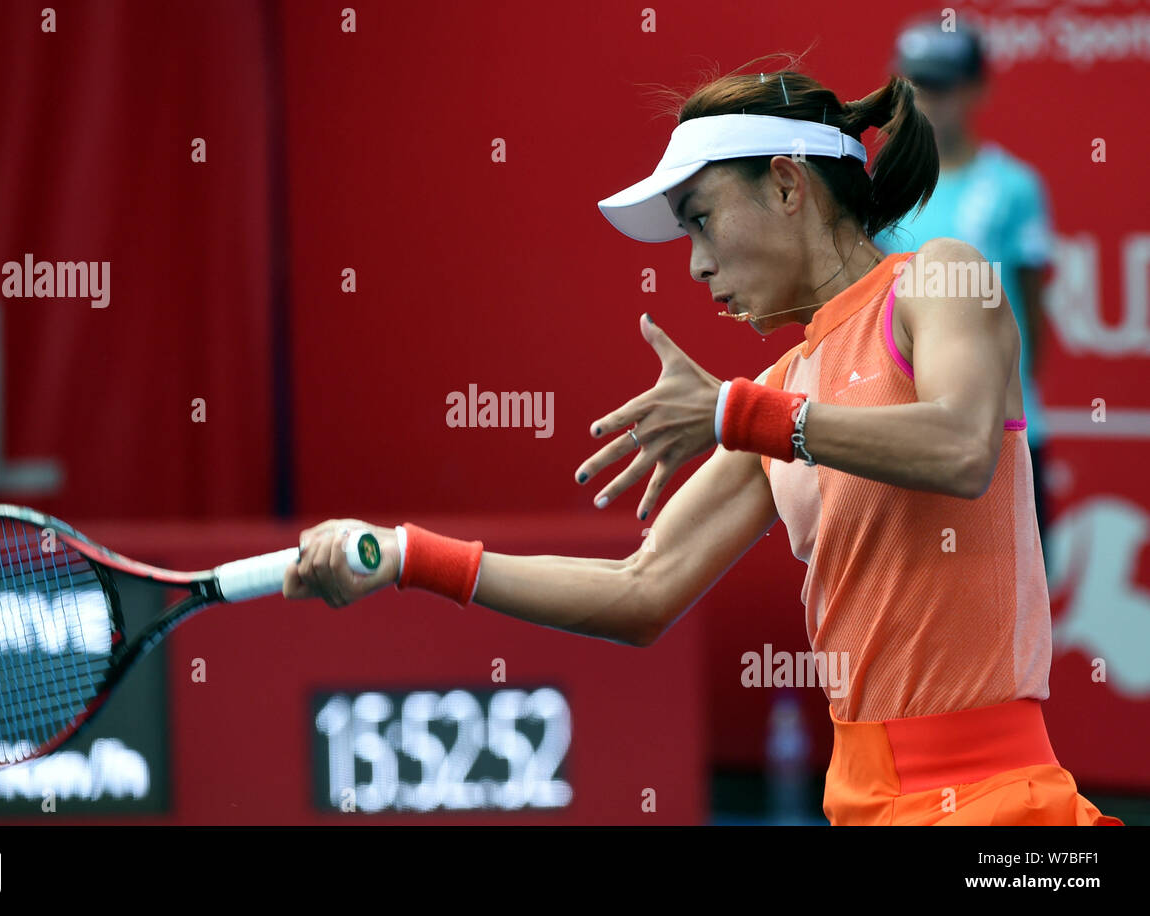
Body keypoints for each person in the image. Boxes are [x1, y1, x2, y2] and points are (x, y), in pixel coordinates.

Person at [284, 65, 1120, 826]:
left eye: (703, 220)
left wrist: (738, 413)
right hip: (862, 808)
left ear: (787, 186)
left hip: (1002, 806)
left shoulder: (943, 274)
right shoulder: (777, 391)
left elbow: (963, 446)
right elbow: (641, 590)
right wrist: (404, 556)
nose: (694, 265)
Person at [876, 19, 1056, 565]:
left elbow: (1033, 316)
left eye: (943, 85)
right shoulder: (878, 187)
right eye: (915, 85)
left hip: (1004, 431)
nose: (928, 100)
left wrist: (995, 389)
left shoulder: (1014, 187)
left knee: (1014, 598)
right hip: (895, 429)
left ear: (976, 89)